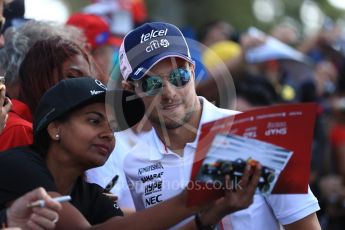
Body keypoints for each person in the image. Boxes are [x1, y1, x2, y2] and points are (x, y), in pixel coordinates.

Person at [90, 22, 321, 229]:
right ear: (131, 89)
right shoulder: (135, 163)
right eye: (151, 83)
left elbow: (304, 224)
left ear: (192, 70)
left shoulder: (256, 134)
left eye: (179, 76)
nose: (169, 93)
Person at [0, 77, 261, 229]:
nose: (108, 133)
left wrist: (211, 214)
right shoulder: (18, 165)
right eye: (94, 120)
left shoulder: (92, 197)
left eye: (111, 126)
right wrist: (194, 198)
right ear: (55, 128)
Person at [0, 36, 97, 151]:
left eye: (88, 83)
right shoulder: (20, 130)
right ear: (39, 77)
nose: (84, 90)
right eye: (72, 77)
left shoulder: (39, 128)